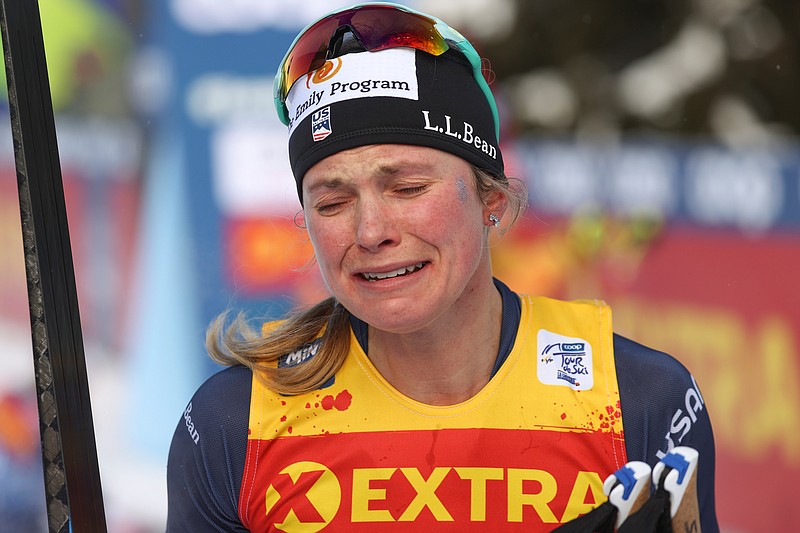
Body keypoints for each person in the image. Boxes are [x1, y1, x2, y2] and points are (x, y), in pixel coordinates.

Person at [166, 3, 718, 531]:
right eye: (332, 202)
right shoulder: (237, 424)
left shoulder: (636, 400)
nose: (371, 231)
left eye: (407, 188)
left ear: (491, 201)